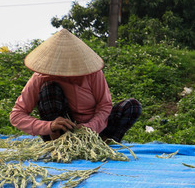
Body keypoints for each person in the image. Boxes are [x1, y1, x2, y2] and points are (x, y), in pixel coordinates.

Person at [10, 28, 141, 142]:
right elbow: (17, 116)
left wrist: (90, 127)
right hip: (63, 128)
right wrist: (49, 126)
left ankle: (102, 143)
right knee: (49, 88)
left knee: (132, 106)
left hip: (95, 130)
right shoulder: (41, 77)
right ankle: (59, 144)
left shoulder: (92, 73)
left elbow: (104, 106)